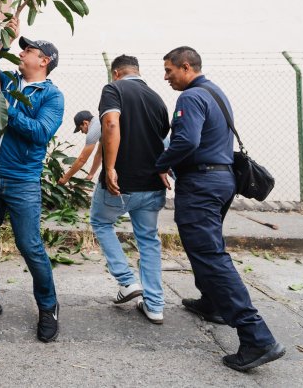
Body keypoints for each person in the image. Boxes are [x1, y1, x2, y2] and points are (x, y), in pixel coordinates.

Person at [155, 46, 285, 371]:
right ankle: (211, 303)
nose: (167, 77)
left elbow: (186, 142)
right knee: (207, 248)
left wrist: (160, 165)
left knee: (210, 255)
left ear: (186, 67)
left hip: (201, 185)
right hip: (221, 181)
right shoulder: (216, 92)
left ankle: (257, 338)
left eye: (170, 70)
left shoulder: (190, 98)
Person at [0, 18, 64, 343]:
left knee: (30, 246)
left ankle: (48, 307)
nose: (23, 54)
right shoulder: (4, 80)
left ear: (44, 60)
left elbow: (40, 132)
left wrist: (5, 107)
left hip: (22, 182)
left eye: (29, 50)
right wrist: (3, 33)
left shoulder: (52, 96)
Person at [89, 55, 170, 324]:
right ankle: (155, 305)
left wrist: (109, 167)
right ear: (138, 71)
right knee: (148, 240)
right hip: (152, 185)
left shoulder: (114, 89)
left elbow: (111, 123)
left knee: (101, 222)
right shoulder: (157, 98)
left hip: (120, 183)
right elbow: (165, 140)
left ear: (116, 73)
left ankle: (126, 281)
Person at [57, 110, 101, 185]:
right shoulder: (100, 123)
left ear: (85, 123)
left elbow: (82, 159)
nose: (82, 132)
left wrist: (65, 178)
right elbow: (99, 154)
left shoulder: (92, 132)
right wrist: (91, 174)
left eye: (81, 129)